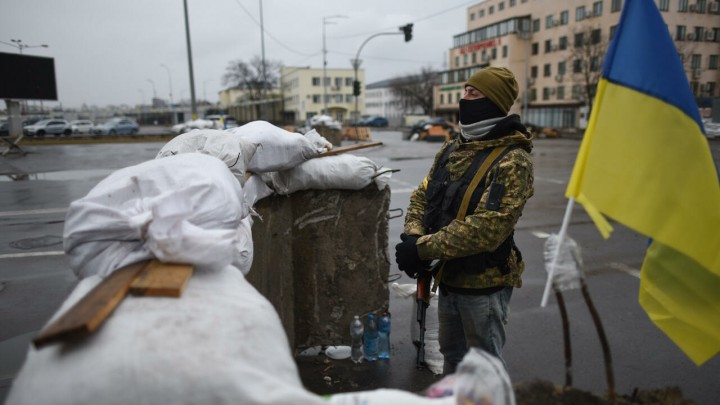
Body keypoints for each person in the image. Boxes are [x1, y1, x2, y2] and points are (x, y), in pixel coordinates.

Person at [394, 67, 534, 374]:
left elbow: (487, 228)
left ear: (493, 102)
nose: (464, 98)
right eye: (465, 91)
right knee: (453, 359)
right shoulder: (453, 147)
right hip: (450, 278)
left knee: (484, 369)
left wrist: (423, 248)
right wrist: (413, 237)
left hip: (483, 286)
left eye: (474, 93)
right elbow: (423, 195)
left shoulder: (512, 159)